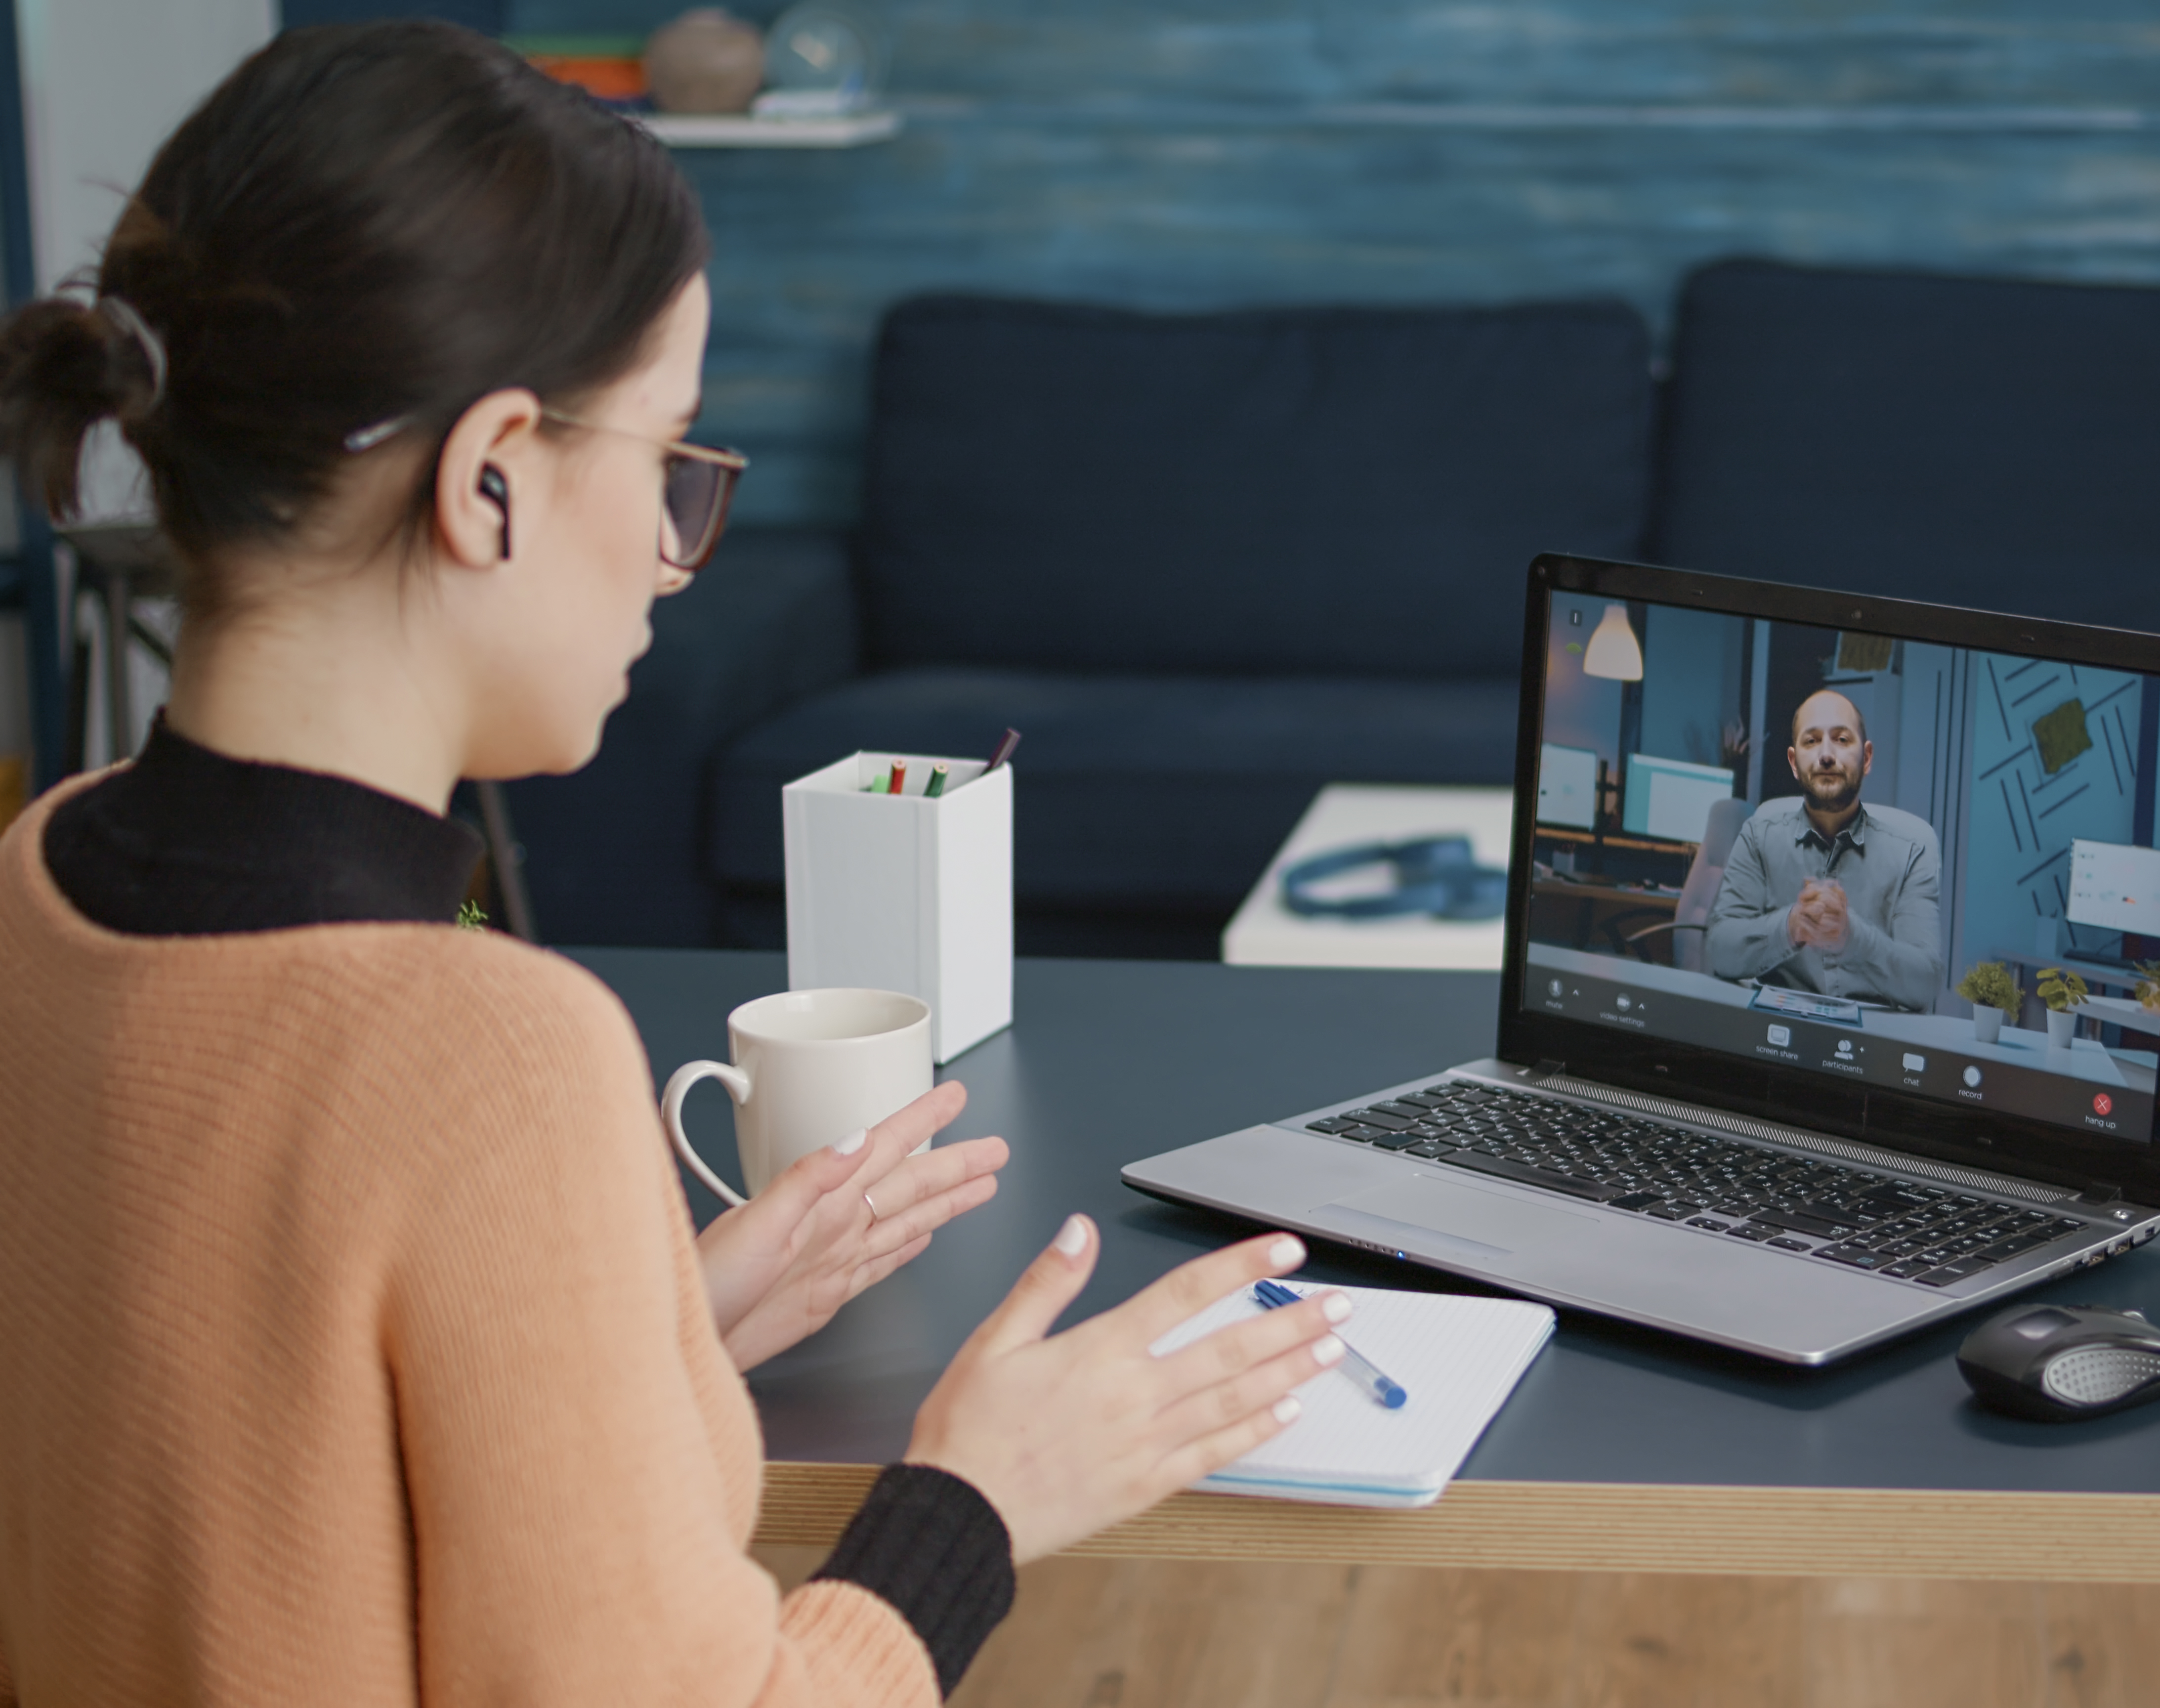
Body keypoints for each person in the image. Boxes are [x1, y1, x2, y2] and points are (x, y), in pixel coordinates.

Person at [0, 24, 1349, 1705]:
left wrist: (645, 1334)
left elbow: (261, 1472)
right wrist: (981, 1496)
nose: (669, 555)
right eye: (667, 460)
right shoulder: (488, 1052)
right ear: (491, 478)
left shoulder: (38, 883)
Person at [1704, 688, 1945, 1011]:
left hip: (1871, 1045)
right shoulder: (1759, 835)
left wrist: (1853, 938)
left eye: (1842, 740)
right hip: (1774, 1032)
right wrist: (1791, 926)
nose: (1827, 755)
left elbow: (1925, 983)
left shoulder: (1912, 852)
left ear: (1867, 758)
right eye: (1812, 740)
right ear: (1793, 762)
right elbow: (1719, 950)